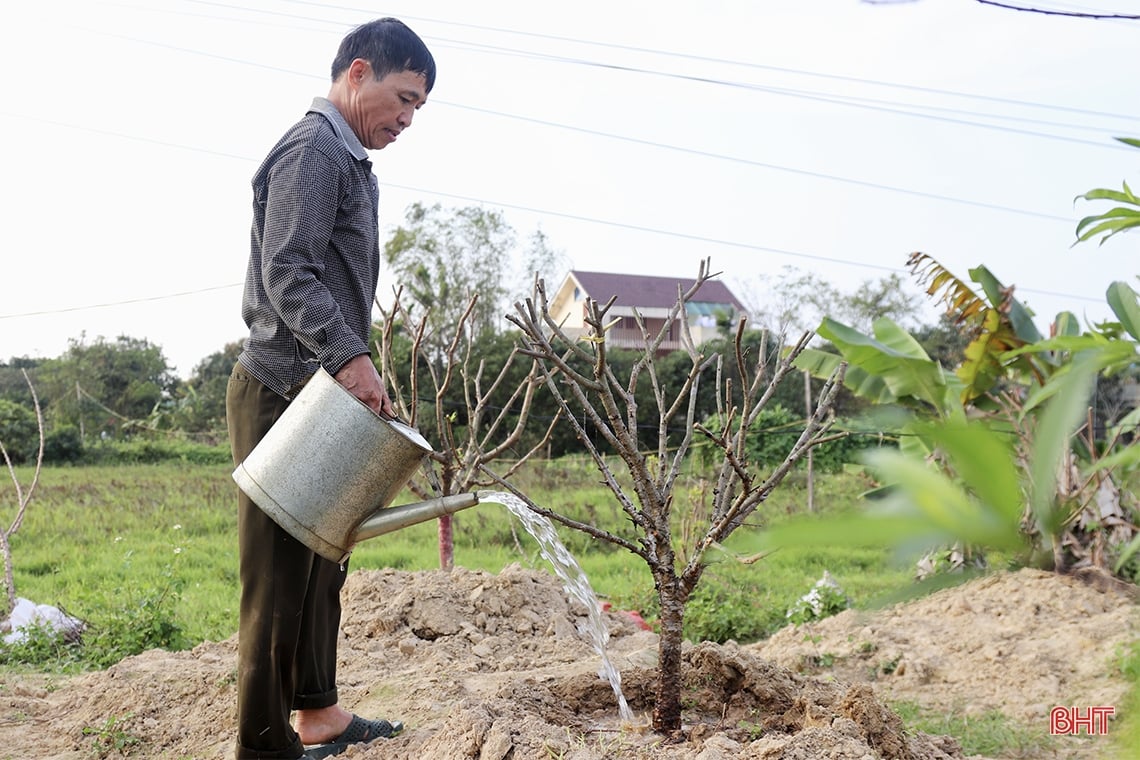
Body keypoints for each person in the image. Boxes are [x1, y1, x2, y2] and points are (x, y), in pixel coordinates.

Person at [225, 18, 435, 760]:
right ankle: (262, 747)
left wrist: (347, 372)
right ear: (358, 72)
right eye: (403, 98)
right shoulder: (315, 149)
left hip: (320, 394)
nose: (407, 120)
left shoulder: (349, 160)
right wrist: (353, 359)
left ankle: (318, 715)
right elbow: (288, 272)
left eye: (418, 109)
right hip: (284, 388)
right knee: (279, 583)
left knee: (323, 565)